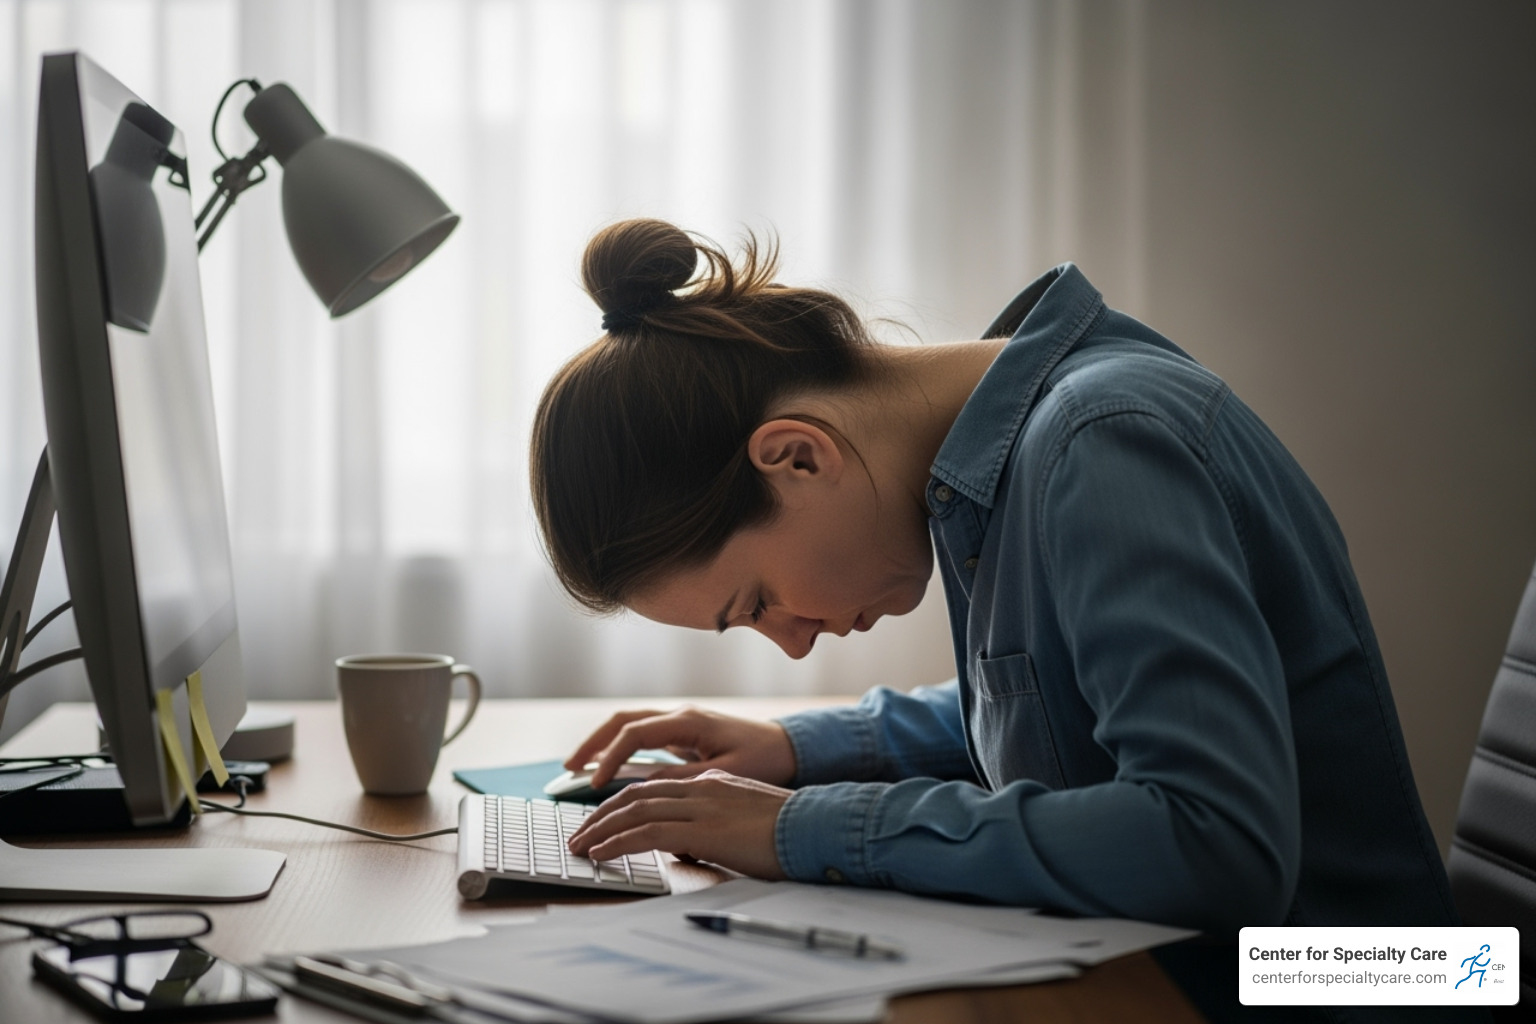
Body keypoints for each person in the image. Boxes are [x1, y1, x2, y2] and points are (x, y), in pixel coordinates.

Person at [531, 219, 1473, 1022]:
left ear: (797, 457)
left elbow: (1211, 840)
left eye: (756, 603)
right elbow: (1056, 710)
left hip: (1360, 981)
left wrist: (806, 830)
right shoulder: (1012, 457)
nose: (791, 637)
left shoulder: (1102, 444)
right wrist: (796, 748)